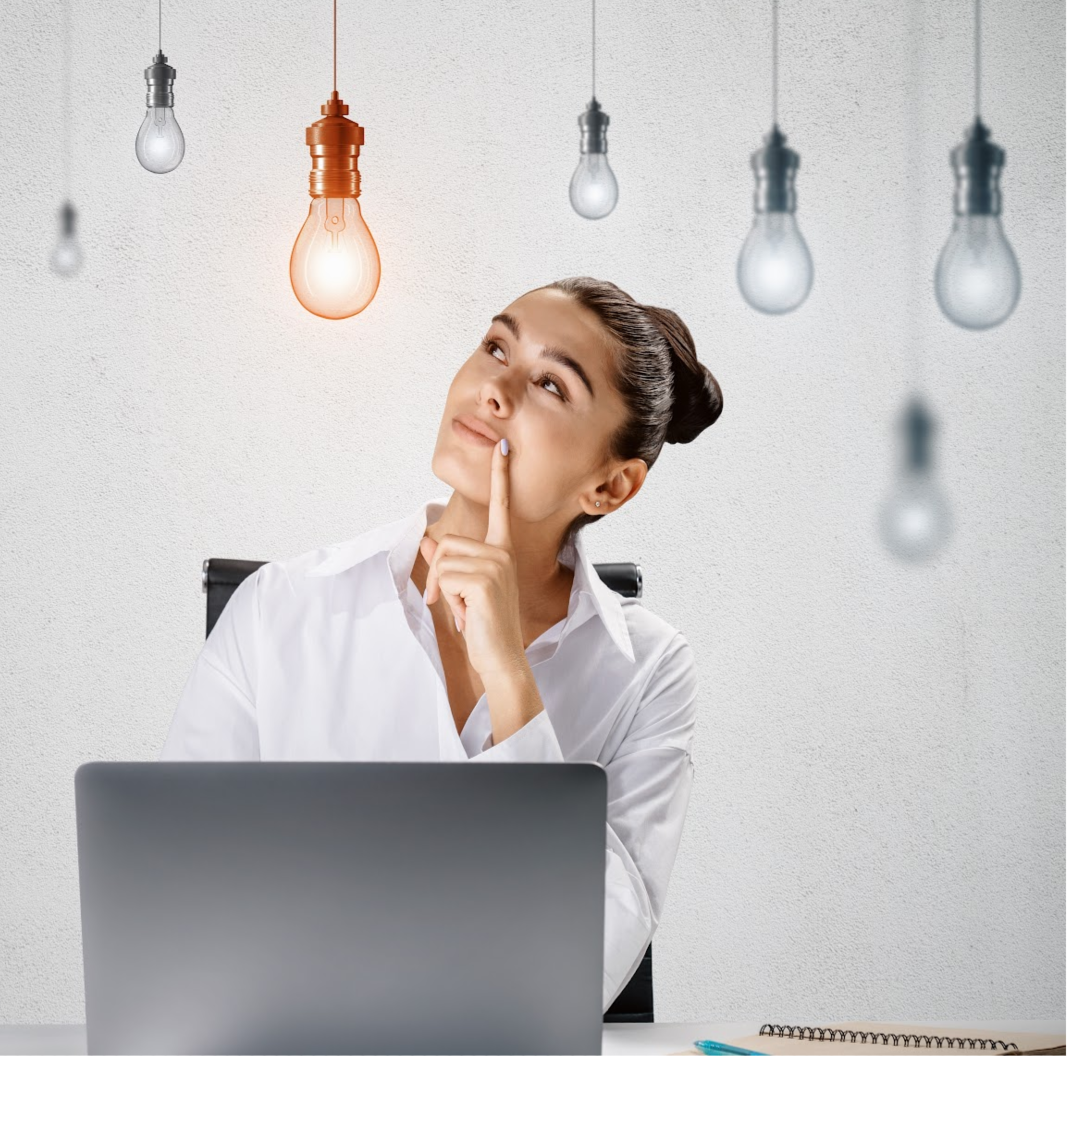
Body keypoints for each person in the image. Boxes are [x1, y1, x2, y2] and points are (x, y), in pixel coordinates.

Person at [160, 275, 724, 1013]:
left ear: (611, 487)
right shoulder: (281, 608)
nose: (496, 388)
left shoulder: (648, 670)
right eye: (496, 347)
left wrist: (510, 681)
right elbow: (175, 911)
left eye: (552, 386)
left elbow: (585, 968)